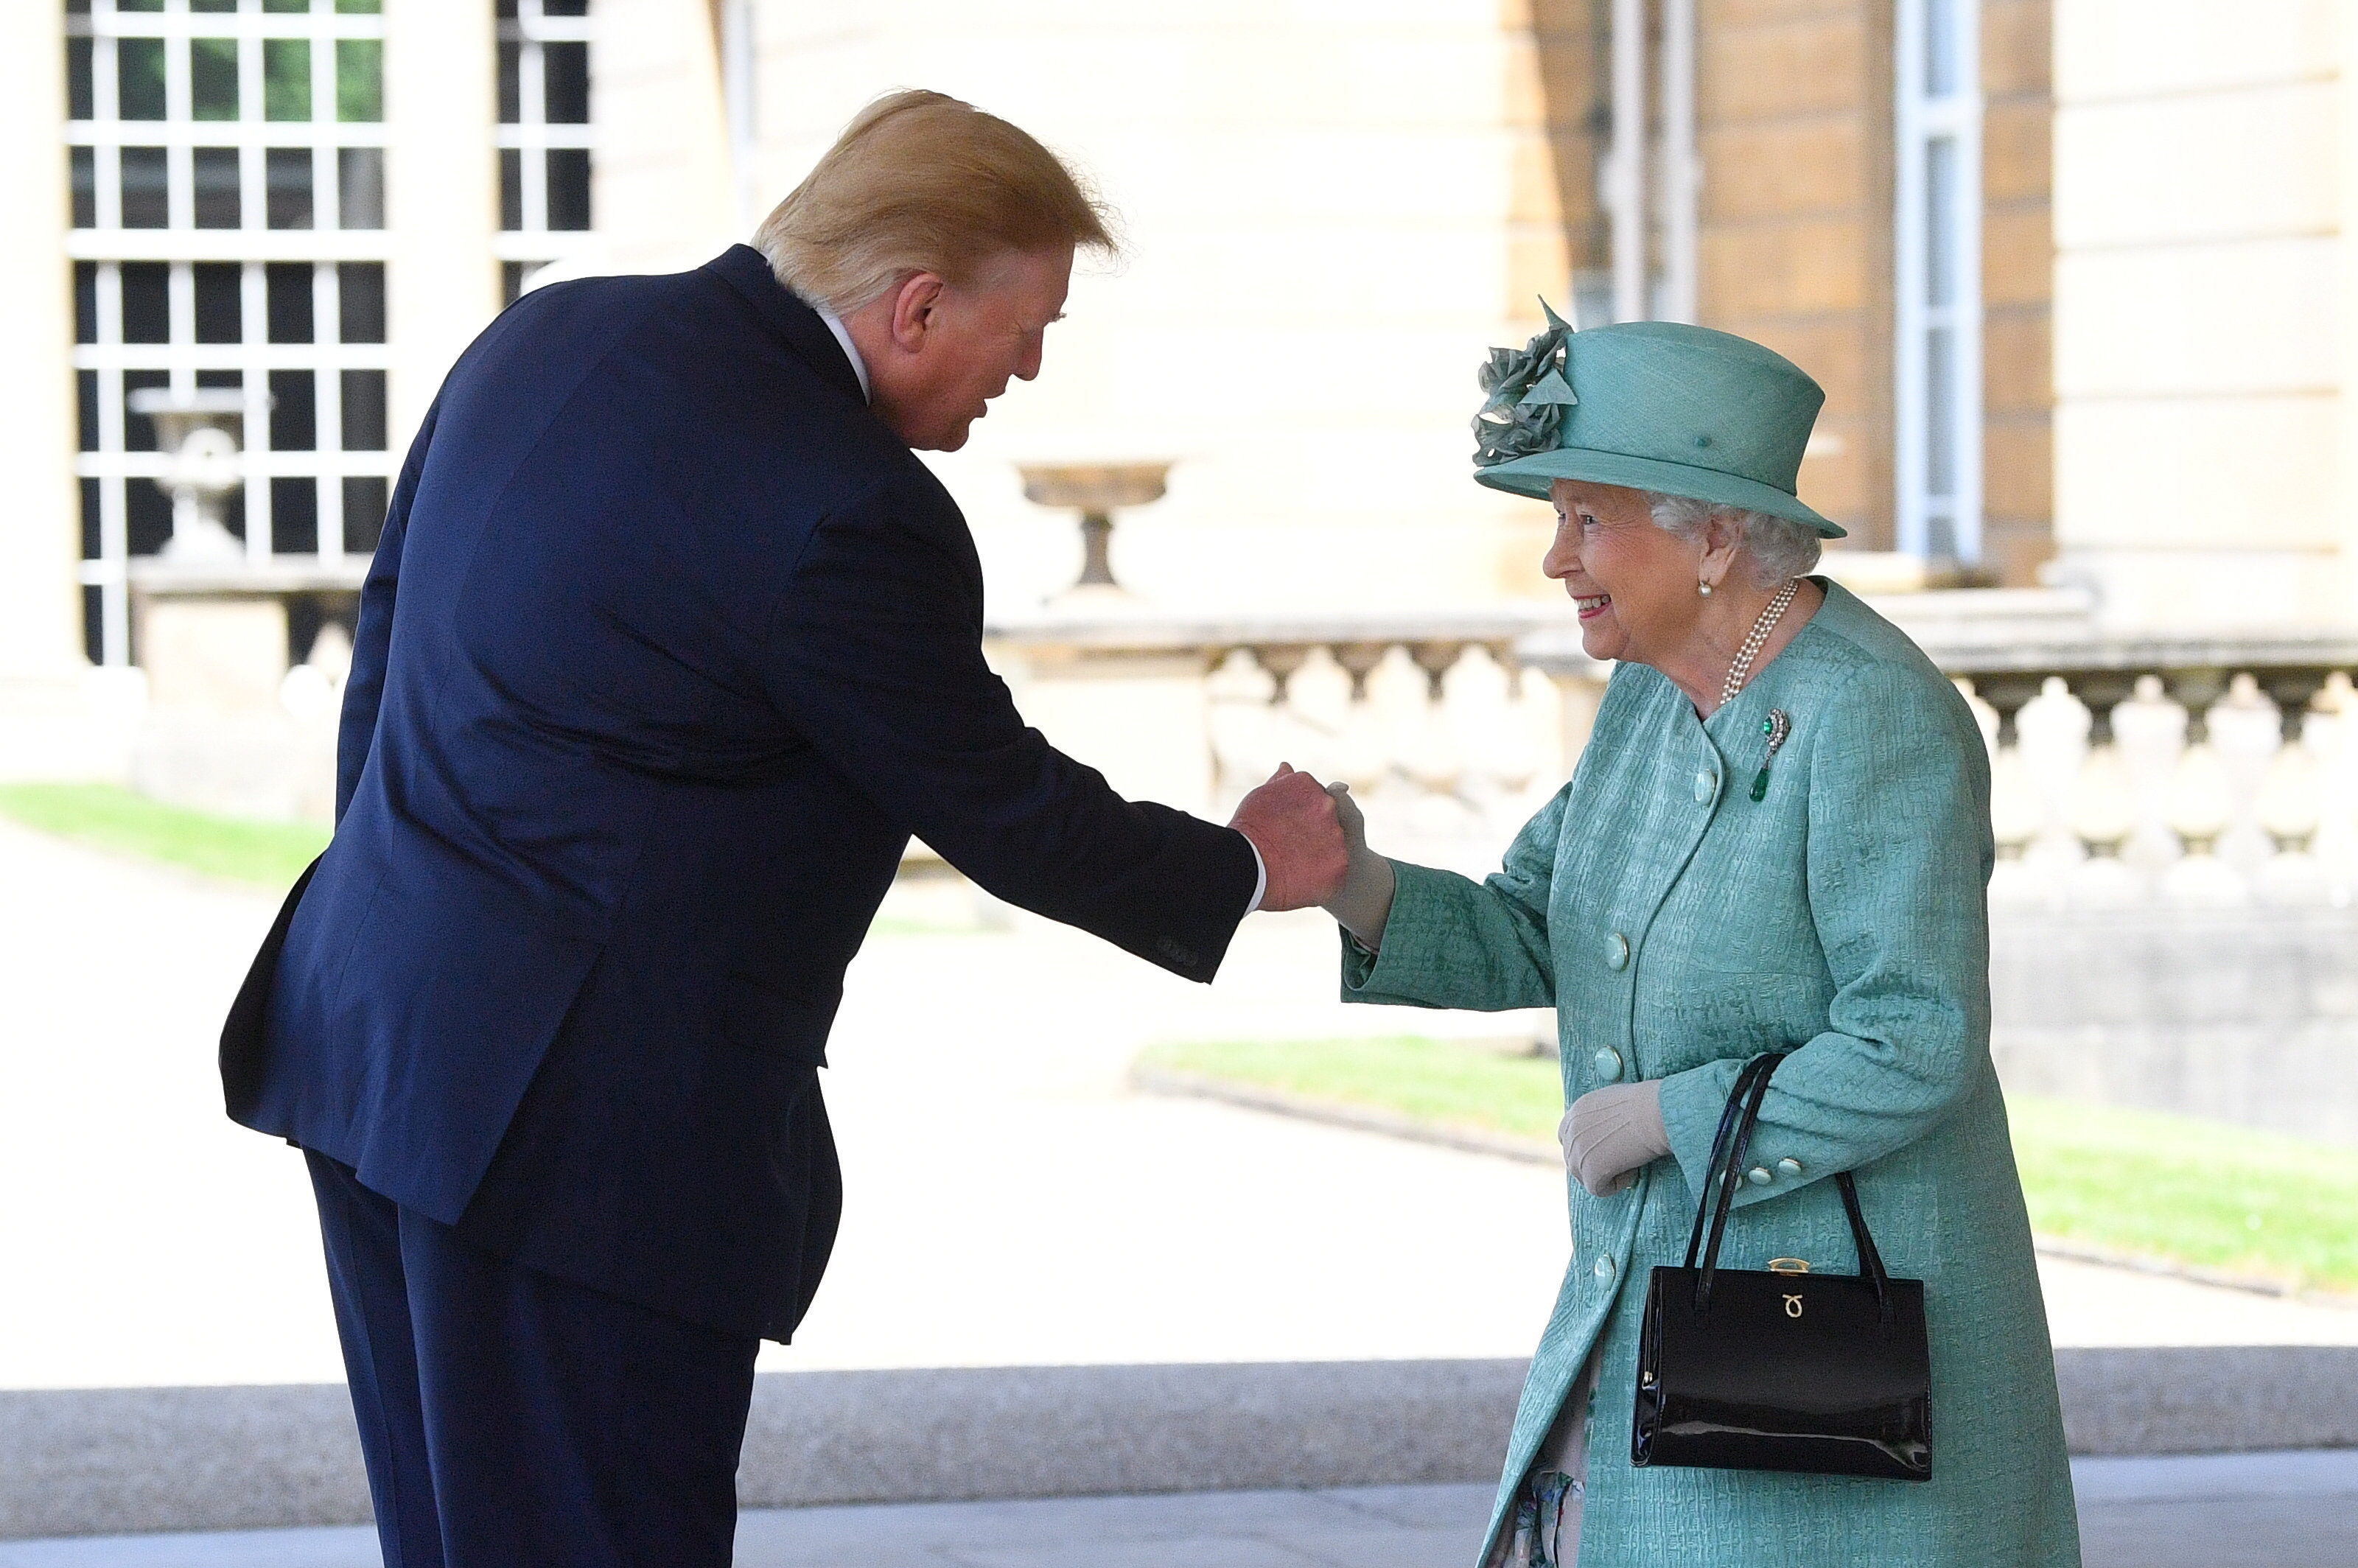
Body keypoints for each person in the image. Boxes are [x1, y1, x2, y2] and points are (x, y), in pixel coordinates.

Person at [217, 91, 1346, 1567]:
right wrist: (1249, 862)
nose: (1032, 364)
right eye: (1032, 322)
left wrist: (404, 890)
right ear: (920, 302)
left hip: (372, 1039)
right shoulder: (851, 508)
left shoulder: (542, 337)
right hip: (577, 1139)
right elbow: (998, 800)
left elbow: (387, 650)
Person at [1297, 314, 2082, 1565]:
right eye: (1556, 519)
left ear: (1712, 538)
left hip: (1828, 1345)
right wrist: (1359, 885)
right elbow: (1535, 924)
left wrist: (1675, 1114)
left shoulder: (1875, 718)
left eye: (1587, 520)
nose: (1557, 559)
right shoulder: (1649, 699)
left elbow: (1916, 1040)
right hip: (1660, 1309)